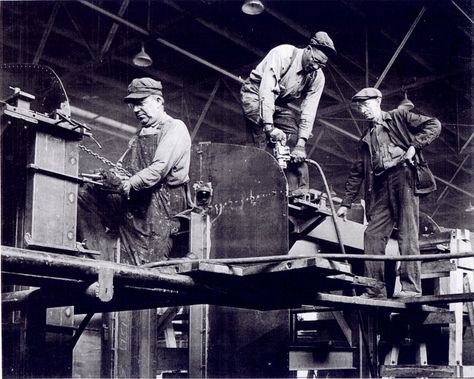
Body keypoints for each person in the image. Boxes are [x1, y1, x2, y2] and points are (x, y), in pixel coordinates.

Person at [337, 87, 441, 299]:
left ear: (378, 101)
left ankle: (411, 289)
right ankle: (375, 289)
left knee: (407, 233)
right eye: (359, 108)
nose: (363, 111)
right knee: (372, 235)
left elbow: (434, 125)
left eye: (366, 105)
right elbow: (357, 171)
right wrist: (345, 203)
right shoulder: (366, 138)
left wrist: (414, 146)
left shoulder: (398, 116)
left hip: (403, 176)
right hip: (380, 185)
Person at [78, 77, 191, 265]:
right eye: (133, 105)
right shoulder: (138, 136)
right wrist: (108, 178)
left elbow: (158, 170)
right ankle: (99, 258)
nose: (136, 110)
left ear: (159, 101)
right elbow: (122, 168)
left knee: (149, 268)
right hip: (138, 206)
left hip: (162, 210)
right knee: (85, 194)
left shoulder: (174, 128)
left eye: (140, 103)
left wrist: (126, 184)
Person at [240, 31, 336, 192]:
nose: (316, 67)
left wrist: (301, 143)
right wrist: (270, 127)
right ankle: (260, 187)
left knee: (292, 135)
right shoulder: (283, 54)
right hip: (256, 94)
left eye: (321, 65)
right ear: (308, 49)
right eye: (315, 61)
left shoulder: (317, 76)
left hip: (279, 103)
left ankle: (298, 190)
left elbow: (309, 110)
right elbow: (267, 91)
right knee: (261, 134)